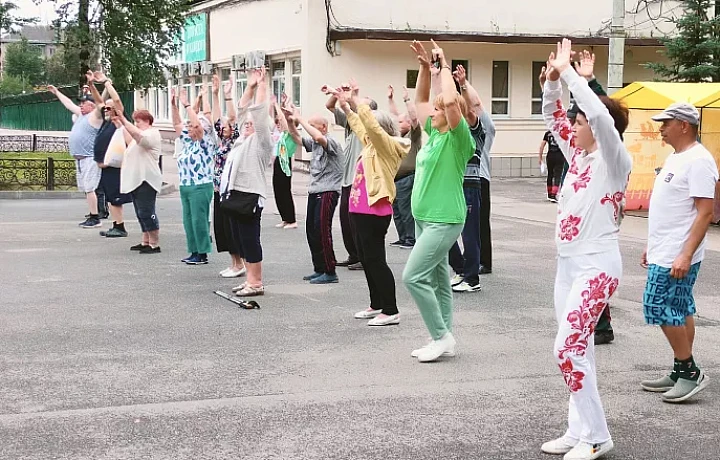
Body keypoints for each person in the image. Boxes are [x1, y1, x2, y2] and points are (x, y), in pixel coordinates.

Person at [539, 42, 632, 460]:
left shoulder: (615, 159)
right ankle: (577, 429)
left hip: (598, 265)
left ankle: (596, 436)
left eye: (580, 121)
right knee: (580, 351)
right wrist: (554, 83)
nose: (572, 126)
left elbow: (596, 114)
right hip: (568, 265)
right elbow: (550, 115)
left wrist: (575, 78)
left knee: (566, 348)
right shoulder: (577, 154)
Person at [402, 40, 475, 362]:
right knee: (437, 278)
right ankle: (445, 335)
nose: (432, 109)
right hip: (425, 216)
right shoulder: (433, 134)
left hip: (444, 218)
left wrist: (444, 66)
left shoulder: (459, 140)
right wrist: (423, 69)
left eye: (440, 107)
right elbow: (420, 100)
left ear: (450, 112)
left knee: (413, 276)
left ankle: (440, 336)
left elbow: (450, 103)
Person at [640, 102, 716, 403]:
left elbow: (705, 212)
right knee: (680, 307)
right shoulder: (678, 157)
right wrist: (652, 245)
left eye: (667, 122)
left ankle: (690, 371)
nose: (661, 127)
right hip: (665, 248)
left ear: (684, 125)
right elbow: (670, 209)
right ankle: (679, 367)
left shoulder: (699, 160)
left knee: (657, 306)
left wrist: (684, 254)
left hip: (678, 253)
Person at [331, 86, 410, 326]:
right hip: (359, 211)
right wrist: (346, 105)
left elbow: (370, 127)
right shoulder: (371, 146)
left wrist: (358, 100)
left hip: (374, 211)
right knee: (366, 258)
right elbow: (358, 125)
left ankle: (391, 309)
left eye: (372, 125)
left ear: (381, 128)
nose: (366, 129)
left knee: (375, 260)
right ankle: (376, 304)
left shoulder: (388, 147)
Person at [221, 67, 273, 297]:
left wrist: (262, 86)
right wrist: (250, 86)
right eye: (247, 125)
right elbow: (243, 111)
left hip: (250, 195)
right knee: (241, 240)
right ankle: (250, 279)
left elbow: (259, 115)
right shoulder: (242, 140)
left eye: (252, 124)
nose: (248, 125)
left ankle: (256, 282)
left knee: (250, 240)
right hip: (237, 194)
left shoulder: (262, 143)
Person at [447, 64, 495, 293]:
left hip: (474, 183)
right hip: (454, 184)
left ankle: (472, 275)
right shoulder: (452, 132)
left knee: (471, 232)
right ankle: (462, 269)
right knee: (448, 230)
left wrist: (462, 85)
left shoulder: (478, 129)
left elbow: (471, 110)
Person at [325, 80, 378, 271]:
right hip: (347, 179)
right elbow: (330, 105)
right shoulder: (351, 122)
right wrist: (337, 92)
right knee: (346, 221)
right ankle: (354, 254)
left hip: (360, 181)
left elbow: (359, 111)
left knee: (357, 223)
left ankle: (362, 257)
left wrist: (353, 96)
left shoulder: (369, 126)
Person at [293, 109, 344, 285]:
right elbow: (296, 138)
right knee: (312, 231)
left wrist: (301, 118)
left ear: (323, 127)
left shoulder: (331, 141)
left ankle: (330, 271)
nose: (309, 128)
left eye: (312, 126)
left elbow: (319, 138)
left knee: (322, 230)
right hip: (315, 191)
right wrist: (289, 119)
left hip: (328, 190)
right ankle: (319, 268)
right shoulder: (315, 142)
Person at [48, 72, 105, 228]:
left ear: (92, 106)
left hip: (89, 157)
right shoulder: (81, 115)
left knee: (90, 187)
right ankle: (93, 214)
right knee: (86, 188)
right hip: (80, 158)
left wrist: (93, 86)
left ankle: (95, 217)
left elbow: (101, 102)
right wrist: (57, 92)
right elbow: (68, 104)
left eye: (84, 103)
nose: (80, 105)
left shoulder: (96, 116)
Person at [172, 86, 216, 265]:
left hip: (201, 185)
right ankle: (194, 251)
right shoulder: (188, 141)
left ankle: (202, 253)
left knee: (199, 220)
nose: (189, 127)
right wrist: (174, 105)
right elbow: (176, 124)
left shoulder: (206, 142)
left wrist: (188, 105)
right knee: (188, 221)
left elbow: (197, 124)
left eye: (191, 125)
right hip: (186, 185)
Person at [87, 71, 134, 238]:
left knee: (115, 198)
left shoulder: (119, 119)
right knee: (110, 198)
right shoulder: (107, 120)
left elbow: (117, 101)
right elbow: (99, 102)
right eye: (105, 108)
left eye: (109, 108)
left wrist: (106, 82)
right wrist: (92, 85)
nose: (106, 110)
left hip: (115, 166)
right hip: (106, 167)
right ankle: (116, 225)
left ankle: (120, 227)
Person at [211, 73, 247, 279]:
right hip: (218, 189)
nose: (223, 126)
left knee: (232, 228)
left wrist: (227, 96)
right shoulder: (222, 141)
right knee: (222, 228)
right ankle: (233, 263)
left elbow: (232, 117)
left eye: (227, 125)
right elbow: (217, 118)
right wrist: (215, 95)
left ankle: (240, 263)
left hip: (230, 190)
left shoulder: (234, 140)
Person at [118, 109, 163, 254]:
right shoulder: (138, 136)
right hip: (137, 179)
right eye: (134, 121)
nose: (135, 124)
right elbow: (131, 136)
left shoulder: (152, 133)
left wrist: (124, 120)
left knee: (146, 211)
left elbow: (138, 136)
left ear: (147, 121)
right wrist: (120, 123)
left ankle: (154, 244)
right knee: (140, 211)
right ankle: (146, 240)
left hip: (147, 179)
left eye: (138, 121)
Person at [388, 85, 422, 249]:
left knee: (405, 209)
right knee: (397, 210)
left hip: (408, 178)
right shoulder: (398, 137)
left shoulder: (413, 136)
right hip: (395, 179)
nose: (398, 123)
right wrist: (390, 99)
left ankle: (411, 238)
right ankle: (403, 237)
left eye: (402, 121)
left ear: (409, 124)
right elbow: (394, 115)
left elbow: (414, 118)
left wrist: (407, 100)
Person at [272, 94, 298, 230]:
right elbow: (281, 119)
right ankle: (285, 218)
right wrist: (283, 104)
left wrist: (276, 104)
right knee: (278, 190)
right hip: (278, 160)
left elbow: (283, 119)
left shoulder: (291, 134)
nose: (279, 125)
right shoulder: (283, 134)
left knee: (285, 191)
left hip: (285, 161)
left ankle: (292, 219)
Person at [539, 130, 566, 202]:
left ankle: (549, 194)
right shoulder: (562, 132)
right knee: (558, 175)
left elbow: (542, 145)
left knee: (550, 175)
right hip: (559, 156)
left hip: (550, 155)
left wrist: (540, 158)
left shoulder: (548, 133)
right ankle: (554, 194)